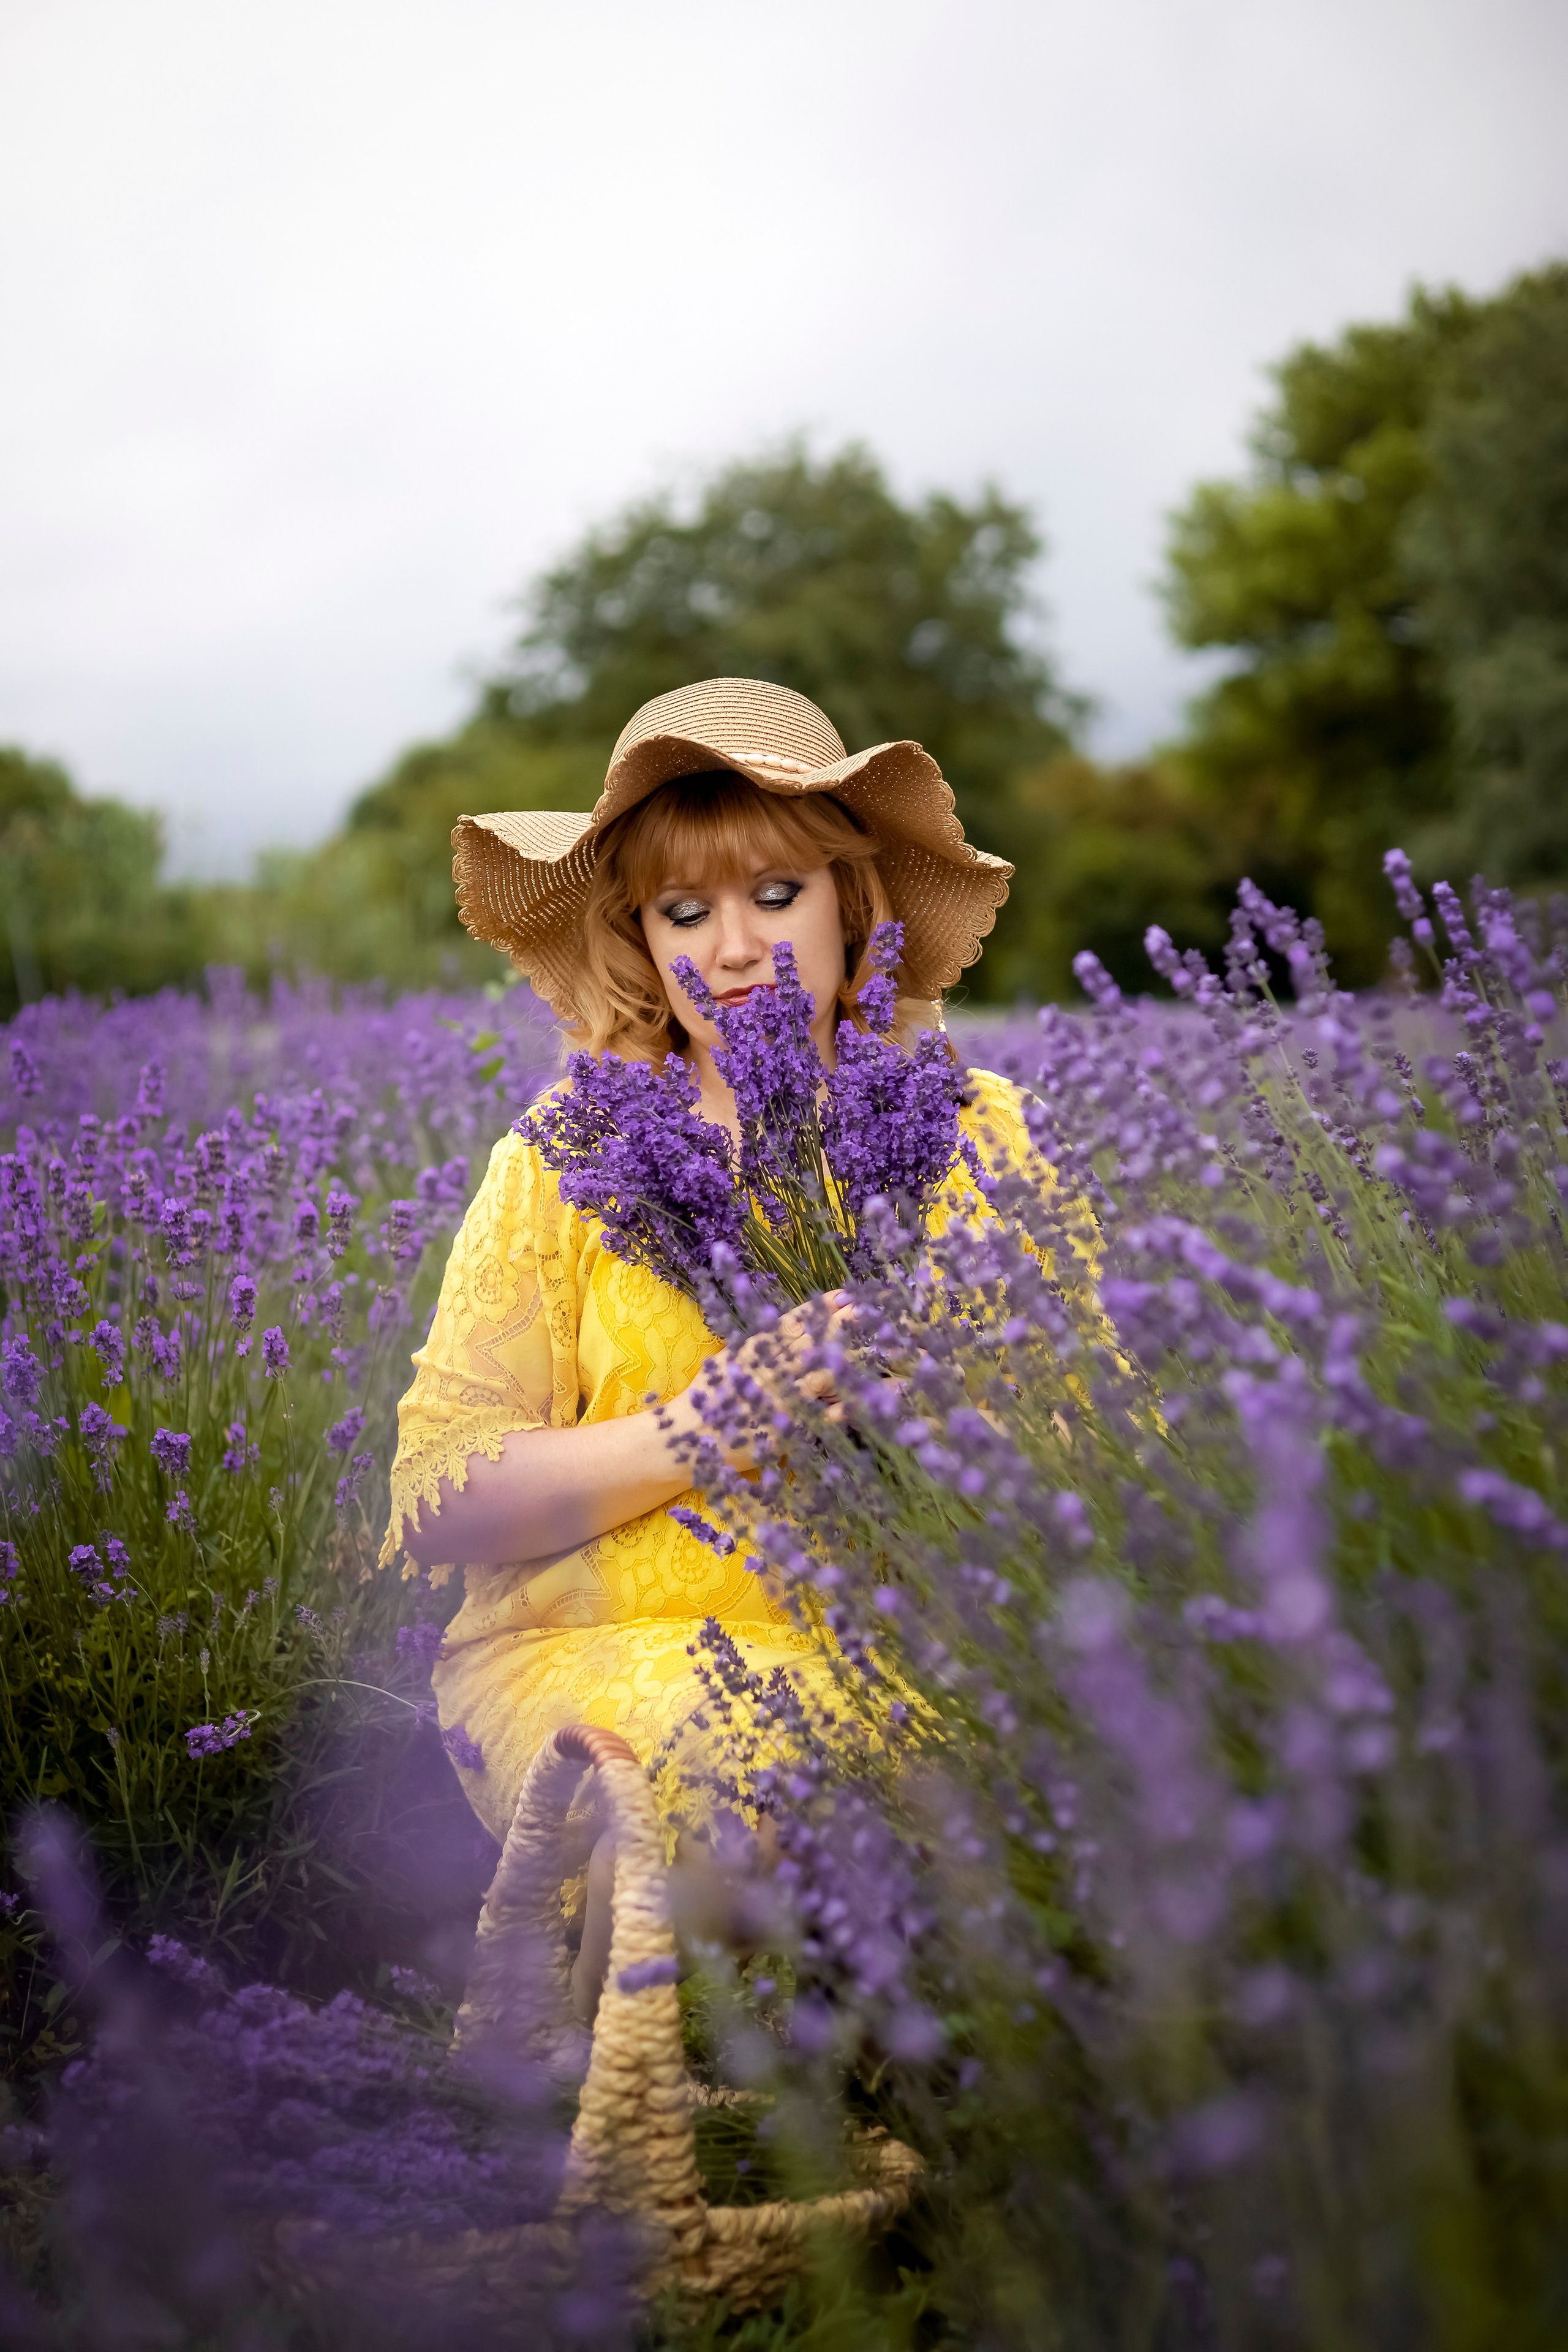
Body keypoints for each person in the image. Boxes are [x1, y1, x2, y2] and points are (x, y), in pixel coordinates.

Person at [379, 676, 1040, 2018]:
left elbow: (1093, 1441)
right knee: (739, 1784)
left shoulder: (976, 1133)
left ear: (852, 903)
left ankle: (831, 2075)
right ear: (637, 933)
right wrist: (708, 1427)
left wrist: (930, 1427)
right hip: (608, 1651)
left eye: (776, 894)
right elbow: (443, 1503)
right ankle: (656, 2052)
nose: (733, 948)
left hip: (919, 1642)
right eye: (685, 912)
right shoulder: (558, 1159)